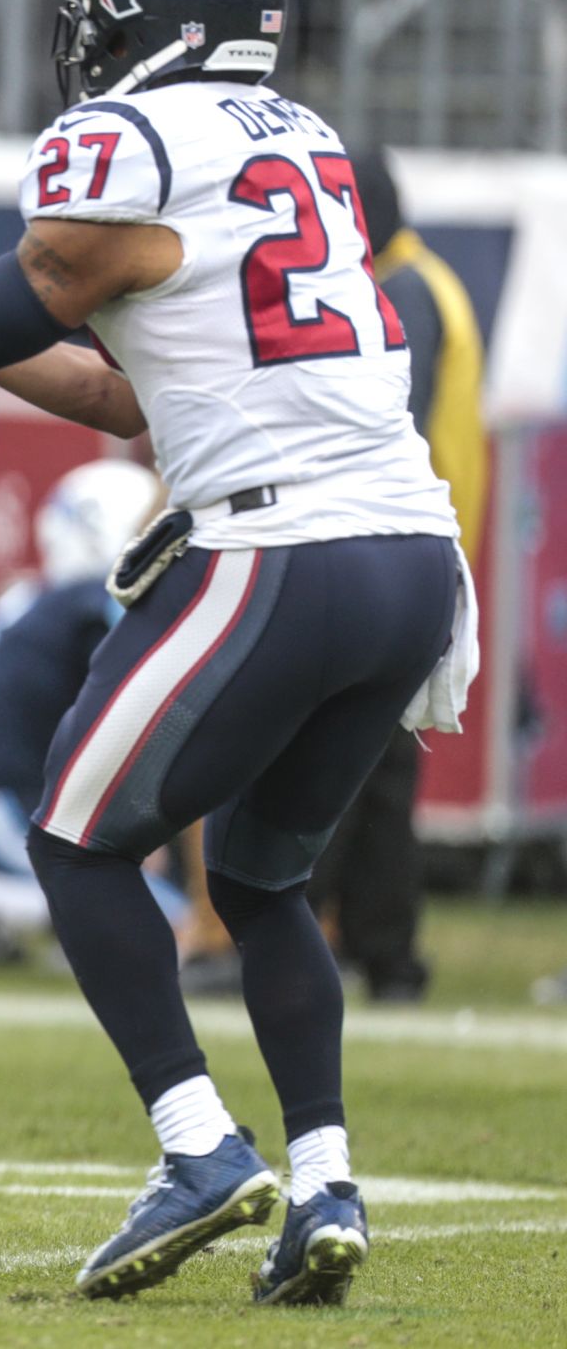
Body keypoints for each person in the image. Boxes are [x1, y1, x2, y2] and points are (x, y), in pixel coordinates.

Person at [0, 0, 471, 1306]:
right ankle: (329, 1188)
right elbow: (125, 396)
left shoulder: (126, 143)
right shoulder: (305, 142)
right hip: (408, 552)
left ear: (136, 24)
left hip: (283, 551)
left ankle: (199, 1145)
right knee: (264, 878)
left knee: (76, 840)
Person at [304, 145, 485, 1003]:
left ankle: (311, 940)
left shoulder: (398, 293)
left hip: (387, 546)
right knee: (380, 771)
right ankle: (388, 952)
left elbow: (379, 425)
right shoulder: (432, 280)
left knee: (337, 760)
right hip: (426, 557)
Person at [0, 460, 176, 961]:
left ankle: (11, 900)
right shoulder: (89, 605)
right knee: (171, 919)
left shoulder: (44, 600)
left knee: (143, 896)